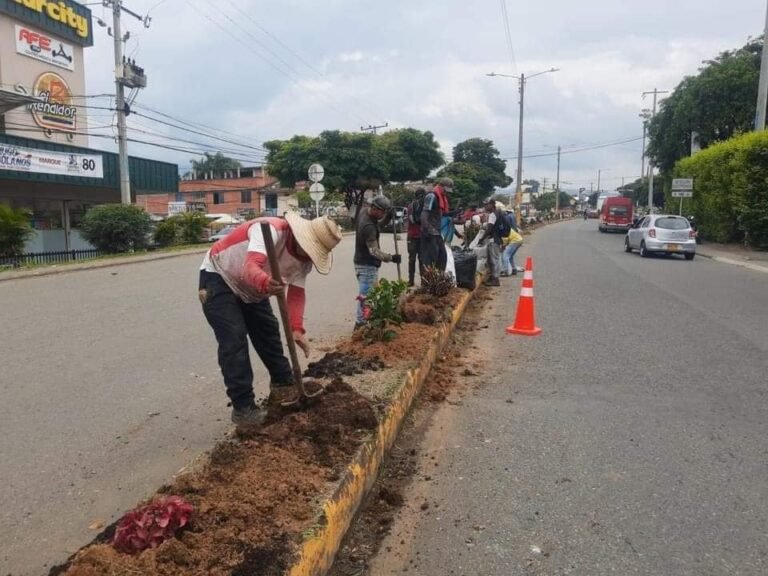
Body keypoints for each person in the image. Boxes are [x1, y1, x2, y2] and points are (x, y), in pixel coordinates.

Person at [199, 213, 343, 425]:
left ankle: (282, 384)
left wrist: (296, 329)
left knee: (269, 331)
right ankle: (243, 408)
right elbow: (250, 268)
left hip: (253, 289)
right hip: (220, 276)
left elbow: (296, 294)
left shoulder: (305, 262)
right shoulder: (271, 231)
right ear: (302, 239)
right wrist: (266, 282)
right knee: (234, 339)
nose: (309, 255)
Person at [354, 195, 402, 327]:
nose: (383, 214)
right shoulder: (368, 226)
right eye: (383, 212)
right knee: (366, 297)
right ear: (375, 209)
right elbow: (374, 251)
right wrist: (391, 258)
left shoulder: (365, 213)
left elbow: (378, 227)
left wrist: (388, 218)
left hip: (360, 262)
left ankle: (364, 321)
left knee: (368, 296)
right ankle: (360, 324)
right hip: (367, 265)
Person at [474, 198, 510, 287]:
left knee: (494, 260)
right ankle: (493, 277)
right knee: (493, 260)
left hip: (494, 240)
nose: (485, 206)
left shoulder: (493, 215)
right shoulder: (497, 213)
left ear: (492, 205)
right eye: (485, 205)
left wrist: (482, 238)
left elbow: (489, 229)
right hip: (496, 239)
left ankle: (495, 279)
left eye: (487, 205)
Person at [420, 185, 446, 271]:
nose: (446, 193)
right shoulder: (431, 196)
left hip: (437, 232)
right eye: (446, 190)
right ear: (441, 187)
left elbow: (439, 214)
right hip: (430, 232)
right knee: (430, 259)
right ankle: (429, 277)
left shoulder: (441, 198)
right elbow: (424, 214)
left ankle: (439, 276)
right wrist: (426, 229)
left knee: (442, 257)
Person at [406, 188, 425, 287]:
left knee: (421, 260)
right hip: (413, 236)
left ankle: (422, 281)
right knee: (413, 259)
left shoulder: (424, 206)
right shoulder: (411, 206)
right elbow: (412, 220)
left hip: (420, 236)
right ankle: (411, 280)